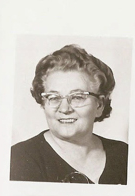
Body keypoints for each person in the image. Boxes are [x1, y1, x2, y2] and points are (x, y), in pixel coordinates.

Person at [10, 44, 128, 184]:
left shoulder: (124, 154)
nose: (65, 109)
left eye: (77, 97)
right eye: (54, 98)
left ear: (99, 105)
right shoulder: (19, 158)